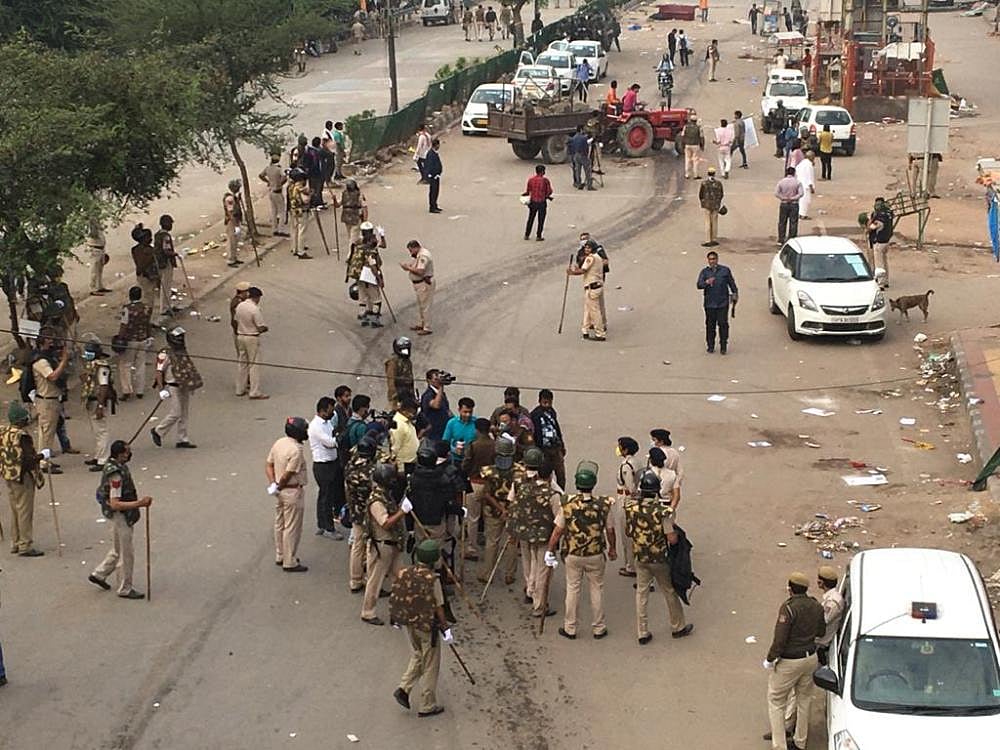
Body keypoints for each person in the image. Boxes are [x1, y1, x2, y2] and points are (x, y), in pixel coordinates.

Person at [546, 461, 616, 639]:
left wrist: (550, 549)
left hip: (573, 553)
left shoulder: (567, 504)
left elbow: (558, 531)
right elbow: (610, 530)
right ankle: (599, 627)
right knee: (597, 589)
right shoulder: (603, 504)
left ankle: (570, 627)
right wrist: (612, 548)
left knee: (572, 589)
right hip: (596, 553)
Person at [626, 470, 694, 644]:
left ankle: (642, 631)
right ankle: (677, 626)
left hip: (640, 556)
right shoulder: (662, 512)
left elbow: (629, 532)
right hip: (659, 558)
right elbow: (671, 538)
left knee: (641, 593)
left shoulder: (632, 509)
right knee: (669, 591)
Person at [763, 572, 825, 750]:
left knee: (776, 700)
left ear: (790, 588)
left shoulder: (788, 608)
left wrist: (770, 659)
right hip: (810, 657)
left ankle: (780, 744)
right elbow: (821, 632)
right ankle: (800, 742)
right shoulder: (816, 605)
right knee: (804, 700)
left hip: (790, 661)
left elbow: (780, 639)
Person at [390, 539, 450, 717]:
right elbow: (439, 607)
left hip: (410, 623)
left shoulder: (405, 573)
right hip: (427, 626)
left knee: (417, 655)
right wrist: (446, 628)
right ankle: (427, 704)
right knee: (431, 664)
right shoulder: (433, 580)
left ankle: (404, 688)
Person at [88, 440, 152, 597]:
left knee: (117, 549)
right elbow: (116, 504)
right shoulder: (115, 474)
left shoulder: (114, 466)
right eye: (127, 452)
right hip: (121, 515)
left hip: (117, 515)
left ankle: (100, 574)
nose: (129, 454)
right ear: (120, 454)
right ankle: (125, 587)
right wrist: (140, 503)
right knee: (126, 553)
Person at [508, 449, 561, 617]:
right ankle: (539, 605)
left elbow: (513, 505)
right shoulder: (552, 493)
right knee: (543, 570)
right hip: (544, 536)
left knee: (528, 563)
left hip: (524, 531)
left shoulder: (521, 485)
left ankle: (530, 590)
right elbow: (559, 517)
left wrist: (512, 530)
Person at [362, 463, 409, 621]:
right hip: (382, 545)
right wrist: (402, 512)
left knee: (399, 578)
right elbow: (385, 523)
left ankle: (398, 611)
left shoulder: (385, 494)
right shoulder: (376, 501)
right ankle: (368, 612)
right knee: (375, 580)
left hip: (393, 543)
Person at [1, 402, 47, 557]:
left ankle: (16, 541)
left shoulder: (4, 432)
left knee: (15, 509)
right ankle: (25, 544)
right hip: (23, 477)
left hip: (9, 475)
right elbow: (28, 460)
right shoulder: (22, 436)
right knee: (25, 511)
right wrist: (42, 456)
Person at [266, 417, 310, 572]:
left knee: (280, 523)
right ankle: (289, 560)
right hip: (292, 491)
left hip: (279, 491)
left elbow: (269, 464)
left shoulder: (280, 442)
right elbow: (288, 474)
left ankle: (280, 554)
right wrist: (280, 484)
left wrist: (274, 484)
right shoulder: (296, 450)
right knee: (291, 527)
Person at [478, 439, 521, 586]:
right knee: (512, 543)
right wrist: (508, 509)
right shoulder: (520, 472)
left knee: (491, 542)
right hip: (513, 511)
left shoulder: (489, 471)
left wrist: (500, 508)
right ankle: (510, 574)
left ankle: (486, 573)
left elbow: (486, 494)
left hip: (493, 510)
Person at [150, 327, 201, 449]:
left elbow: (188, 368)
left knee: (184, 413)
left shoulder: (182, 351)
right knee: (176, 413)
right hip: (172, 386)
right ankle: (158, 431)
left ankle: (182, 438)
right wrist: (161, 389)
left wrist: (191, 383)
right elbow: (159, 372)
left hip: (184, 385)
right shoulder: (164, 354)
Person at [31, 330, 71, 464]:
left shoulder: (47, 357)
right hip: (47, 401)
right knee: (46, 434)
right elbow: (52, 376)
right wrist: (64, 360)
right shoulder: (41, 361)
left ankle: (45, 458)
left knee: (49, 431)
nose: (52, 344)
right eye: (49, 342)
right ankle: (44, 462)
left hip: (51, 400)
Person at [309, 396, 344, 539]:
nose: (332, 413)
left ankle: (322, 524)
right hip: (323, 465)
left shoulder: (327, 423)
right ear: (322, 411)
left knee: (326, 495)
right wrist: (340, 438)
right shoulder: (316, 426)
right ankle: (328, 528)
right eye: (330, 411)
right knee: (326, 498)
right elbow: (330, 442)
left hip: (332, 462)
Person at [80, 339, 114, 472]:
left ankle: (103, 459)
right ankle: (98, 455)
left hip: (98, 401)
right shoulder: (92, 365)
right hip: (91, 400)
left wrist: (100, 406)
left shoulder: (102, 367)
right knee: (96, 430)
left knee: (101, 430)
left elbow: (104, 386)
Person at [696, 250, 738, 354]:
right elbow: (699, 285)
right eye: (710, 259)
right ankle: (710, 345)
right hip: (710, 304)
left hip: (722, 302)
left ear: (717, 259)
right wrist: (706, 282)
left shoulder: (725, 271)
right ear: (708, 261)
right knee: (710, 325)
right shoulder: (704, 272)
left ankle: (723, 345)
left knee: (723, 324)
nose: (712, 261)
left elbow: (731, 283)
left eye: (714, 259)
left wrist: (735, 293)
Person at [116, 287, 152, 404]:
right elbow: (148, 324)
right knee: (140, 365)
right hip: (143, 339)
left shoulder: (127, 309)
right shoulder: (147, 308)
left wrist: (119, 338)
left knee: (125, 365)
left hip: (130, 340)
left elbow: (124, 325)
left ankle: (127, 390)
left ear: (130, 296)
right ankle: (139, 391)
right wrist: (148, 336)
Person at [566, 239, 606, 342]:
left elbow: (583, 270)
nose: (587, 249)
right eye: (586, 247)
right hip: (597, 285)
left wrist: (572, 272)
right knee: (588, 310)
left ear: (592, 249)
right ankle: (585, 329)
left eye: (589, 247)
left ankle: (600, 333)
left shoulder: (590, 258)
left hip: (592, 287)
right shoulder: (598, 257)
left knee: (594, 312)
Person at [234, 287, 269, 400]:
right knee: (254, 364)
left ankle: (240, 389)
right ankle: (254, 391)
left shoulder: (240, 306)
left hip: (240, 335)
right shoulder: (254, 309)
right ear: (257, 297)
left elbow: (235, 320)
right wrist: (265, 328)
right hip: (251, 337)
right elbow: (260, 327)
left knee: (242, 363)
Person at [350, 223, 386, 328]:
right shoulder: (371, 248)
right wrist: (379, 278)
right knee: (376, 298)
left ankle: (364, 316)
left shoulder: (358, 243)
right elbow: (373, 265)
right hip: (369, 275)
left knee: (363, 296)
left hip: (359, 275)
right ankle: (375, 320)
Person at [530, 389, 566, 490]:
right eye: (544, 401)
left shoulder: (552, 412)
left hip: (555, 448)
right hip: (543, 449)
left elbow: (556, 428)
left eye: (549, 401)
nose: (546, 404)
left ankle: (560, 493)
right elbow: (533, 433)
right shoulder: (535, 415)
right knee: (545, 473)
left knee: (561, 475)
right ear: (539, 401)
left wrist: (561, 444)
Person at [400, 240, 435, 336]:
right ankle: (421, 323)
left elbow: (420, 271)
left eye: (411, 250)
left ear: (416, 247)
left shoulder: (423, 256)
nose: (410, 253)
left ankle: (427, 327)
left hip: (424, 283)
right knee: (421, 305)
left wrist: (408, 268)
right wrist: (409, 265)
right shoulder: (419, 255)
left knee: (425, 306)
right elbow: (416, 264)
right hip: (419, 284)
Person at [816, 565, 844, 665]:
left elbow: (823, 621)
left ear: (822, 582)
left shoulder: (832, 602)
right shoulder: (831, 597)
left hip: (822, 644)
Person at [152, 215, 178, 317]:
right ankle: (165, 308)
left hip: (159, 262)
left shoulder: (157, 234)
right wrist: (174, 254)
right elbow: (166, 250)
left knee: (164, 285)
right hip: (165, 262)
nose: (171, 225)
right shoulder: (166, 236)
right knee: (166, 285)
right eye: (170, 223)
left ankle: (167, 306)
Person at [259, 150, 289, 238]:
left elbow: (261, 175)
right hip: (278, 191)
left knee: (274, 211)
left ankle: (274, 229)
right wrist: (280, 183)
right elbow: (284, 177)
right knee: (282, 211)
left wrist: (268, 181)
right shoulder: (279, 169)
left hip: (271, 191)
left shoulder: (268, 168)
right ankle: (281, 229)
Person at [287, 168, 314, 260]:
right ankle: (301, 251)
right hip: (302, 211)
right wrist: (310, 195)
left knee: (294, 230)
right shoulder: (301, 189)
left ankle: (294, 248)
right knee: (302, 230)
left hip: (293, 210)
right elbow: (306, 200)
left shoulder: (290, 187)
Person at [130, 223, 160, 305]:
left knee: (150, 297)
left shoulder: (149, 248)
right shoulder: (138, 250)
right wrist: (152, 256)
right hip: (144, 276)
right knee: (147, 298)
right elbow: (141, 265)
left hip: (150, 276)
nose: (150, 239)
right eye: (148, 237)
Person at [522, 164, 553, 241]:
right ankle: (538, 236)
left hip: (533, 202)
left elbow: (528, 191)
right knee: (541, 219)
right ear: (542, 172)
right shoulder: (545, 180)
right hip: (541, 202)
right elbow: (549, 191)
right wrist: (547, 196)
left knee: (531, 218)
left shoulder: (531, 180)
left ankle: (527, 234)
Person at [442, 397, 476, 466]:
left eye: (470, 412)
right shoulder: (452, 423)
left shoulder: (476, 423)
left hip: (471, 461)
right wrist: (454, 450)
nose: (468, 415)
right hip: (454, 460)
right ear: (459, 410)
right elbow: (445, 442)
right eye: (465, 412)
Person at [867, 197, 894, 285]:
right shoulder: (889, 213)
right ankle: (886, 280)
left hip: (879, 242)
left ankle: (881, 282)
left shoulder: (879, 216)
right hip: (887, 241)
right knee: (885, 262)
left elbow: (872, 227)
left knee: (879, 264)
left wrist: (870, 222)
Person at [420, 370, 452, 441]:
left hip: (443, 430)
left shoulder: (441, 394)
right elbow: (436, 405)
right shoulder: (428, 395)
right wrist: (441, 386)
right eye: (436, 379)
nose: (438, 381)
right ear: (429, 380)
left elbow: (447, 410)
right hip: (433, 433)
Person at [775, 167, 804, 244]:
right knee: (793, 222)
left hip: (784, 203)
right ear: (794, 173)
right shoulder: (797, 182)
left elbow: (776, 193)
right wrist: (793, 198)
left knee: (782, 222)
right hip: (794, 204)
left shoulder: (781, 182)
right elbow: (801, 193)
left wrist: (784, 198)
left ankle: (781, 239)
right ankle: (792, 240)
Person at [391, 397, 420, 474]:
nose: (413, 415)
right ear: (404, 410)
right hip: (404, 466)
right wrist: (400, 469)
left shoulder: (407, 422)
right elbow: (395, 448)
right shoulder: (398, 424)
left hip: (412, 463)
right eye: (412, 412)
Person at [385, 336, 416, 408]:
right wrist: (396, 397)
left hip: (408, 394)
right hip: (398, 397)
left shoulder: (407, 361)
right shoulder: (393, 362)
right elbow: (391, 382)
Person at [335, 179, 367, 245]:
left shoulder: (359, 195)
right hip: (346, 218)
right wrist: (334, 199)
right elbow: (337, 205)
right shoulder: (344, 194)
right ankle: (365, 241)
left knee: (352, 240)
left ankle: (350, 254)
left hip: (356, 217)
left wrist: (365, 220)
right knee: (352, 237)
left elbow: (364, 207)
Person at [698, 167, 724, 247]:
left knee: (707, 222)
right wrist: (718, 202)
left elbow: (701, 194)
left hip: (707, 204)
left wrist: (703, 201)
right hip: (716, 205)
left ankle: (708, 240)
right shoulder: (718, 183)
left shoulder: (704, 183)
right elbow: (721, 194)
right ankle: (714, 239)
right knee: (715, 222)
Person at [223, 179, 245, 268]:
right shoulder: (230, 199)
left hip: (235, 221)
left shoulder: (234, 197)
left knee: (235, 241)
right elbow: (231, 213)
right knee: (231, 241)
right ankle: (230, 260)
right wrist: (235, 225)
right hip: (232, 221)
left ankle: (234, 257)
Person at [87, 219, 111, 296]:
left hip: (100, 249)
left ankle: (99, 286)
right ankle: (93, 288)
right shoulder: (92, 228)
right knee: (94, 270)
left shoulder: (98, 227)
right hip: (95, 249)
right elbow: (93, 234)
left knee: (99, 270)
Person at [567, 126, 594, 191]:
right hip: (583, 155)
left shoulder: (573, 138)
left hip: (576, 155)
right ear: (581, 130)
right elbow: (586, 147)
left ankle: (578, 184)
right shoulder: (584, 138)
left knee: (578, 171)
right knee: (587, 170)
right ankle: (589, 185)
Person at [680, 115, 705, 180]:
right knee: (695, 160)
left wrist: (682, 144)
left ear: (690, 120)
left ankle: (687, 174)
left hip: (687, 145)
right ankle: (695, 175)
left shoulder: (686, 127)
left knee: (687, 159)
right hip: (695, 145)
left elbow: (682, 136)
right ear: (696, 121)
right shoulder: (699, 128)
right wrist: (702, 145)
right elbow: (701, 137)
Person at [796, 150, 816, 220]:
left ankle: (800, 213)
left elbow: (797, 170)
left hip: (800, 183)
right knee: (806, 200)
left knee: (801, 200)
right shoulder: (809, 165)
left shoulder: (802, 163)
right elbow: (809, 176)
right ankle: (803, 215)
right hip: (806, 185)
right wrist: (812, 187)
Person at [425, 139, 443, 213]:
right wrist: (431, 175)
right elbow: (429, 165)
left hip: (436, 176)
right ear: (436, 145)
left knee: (436, 191)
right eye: (438, 145)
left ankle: (435, 205)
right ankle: (432, 207)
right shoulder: (431, 154)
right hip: (433, 176)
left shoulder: (434, 153)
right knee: (433, 192)